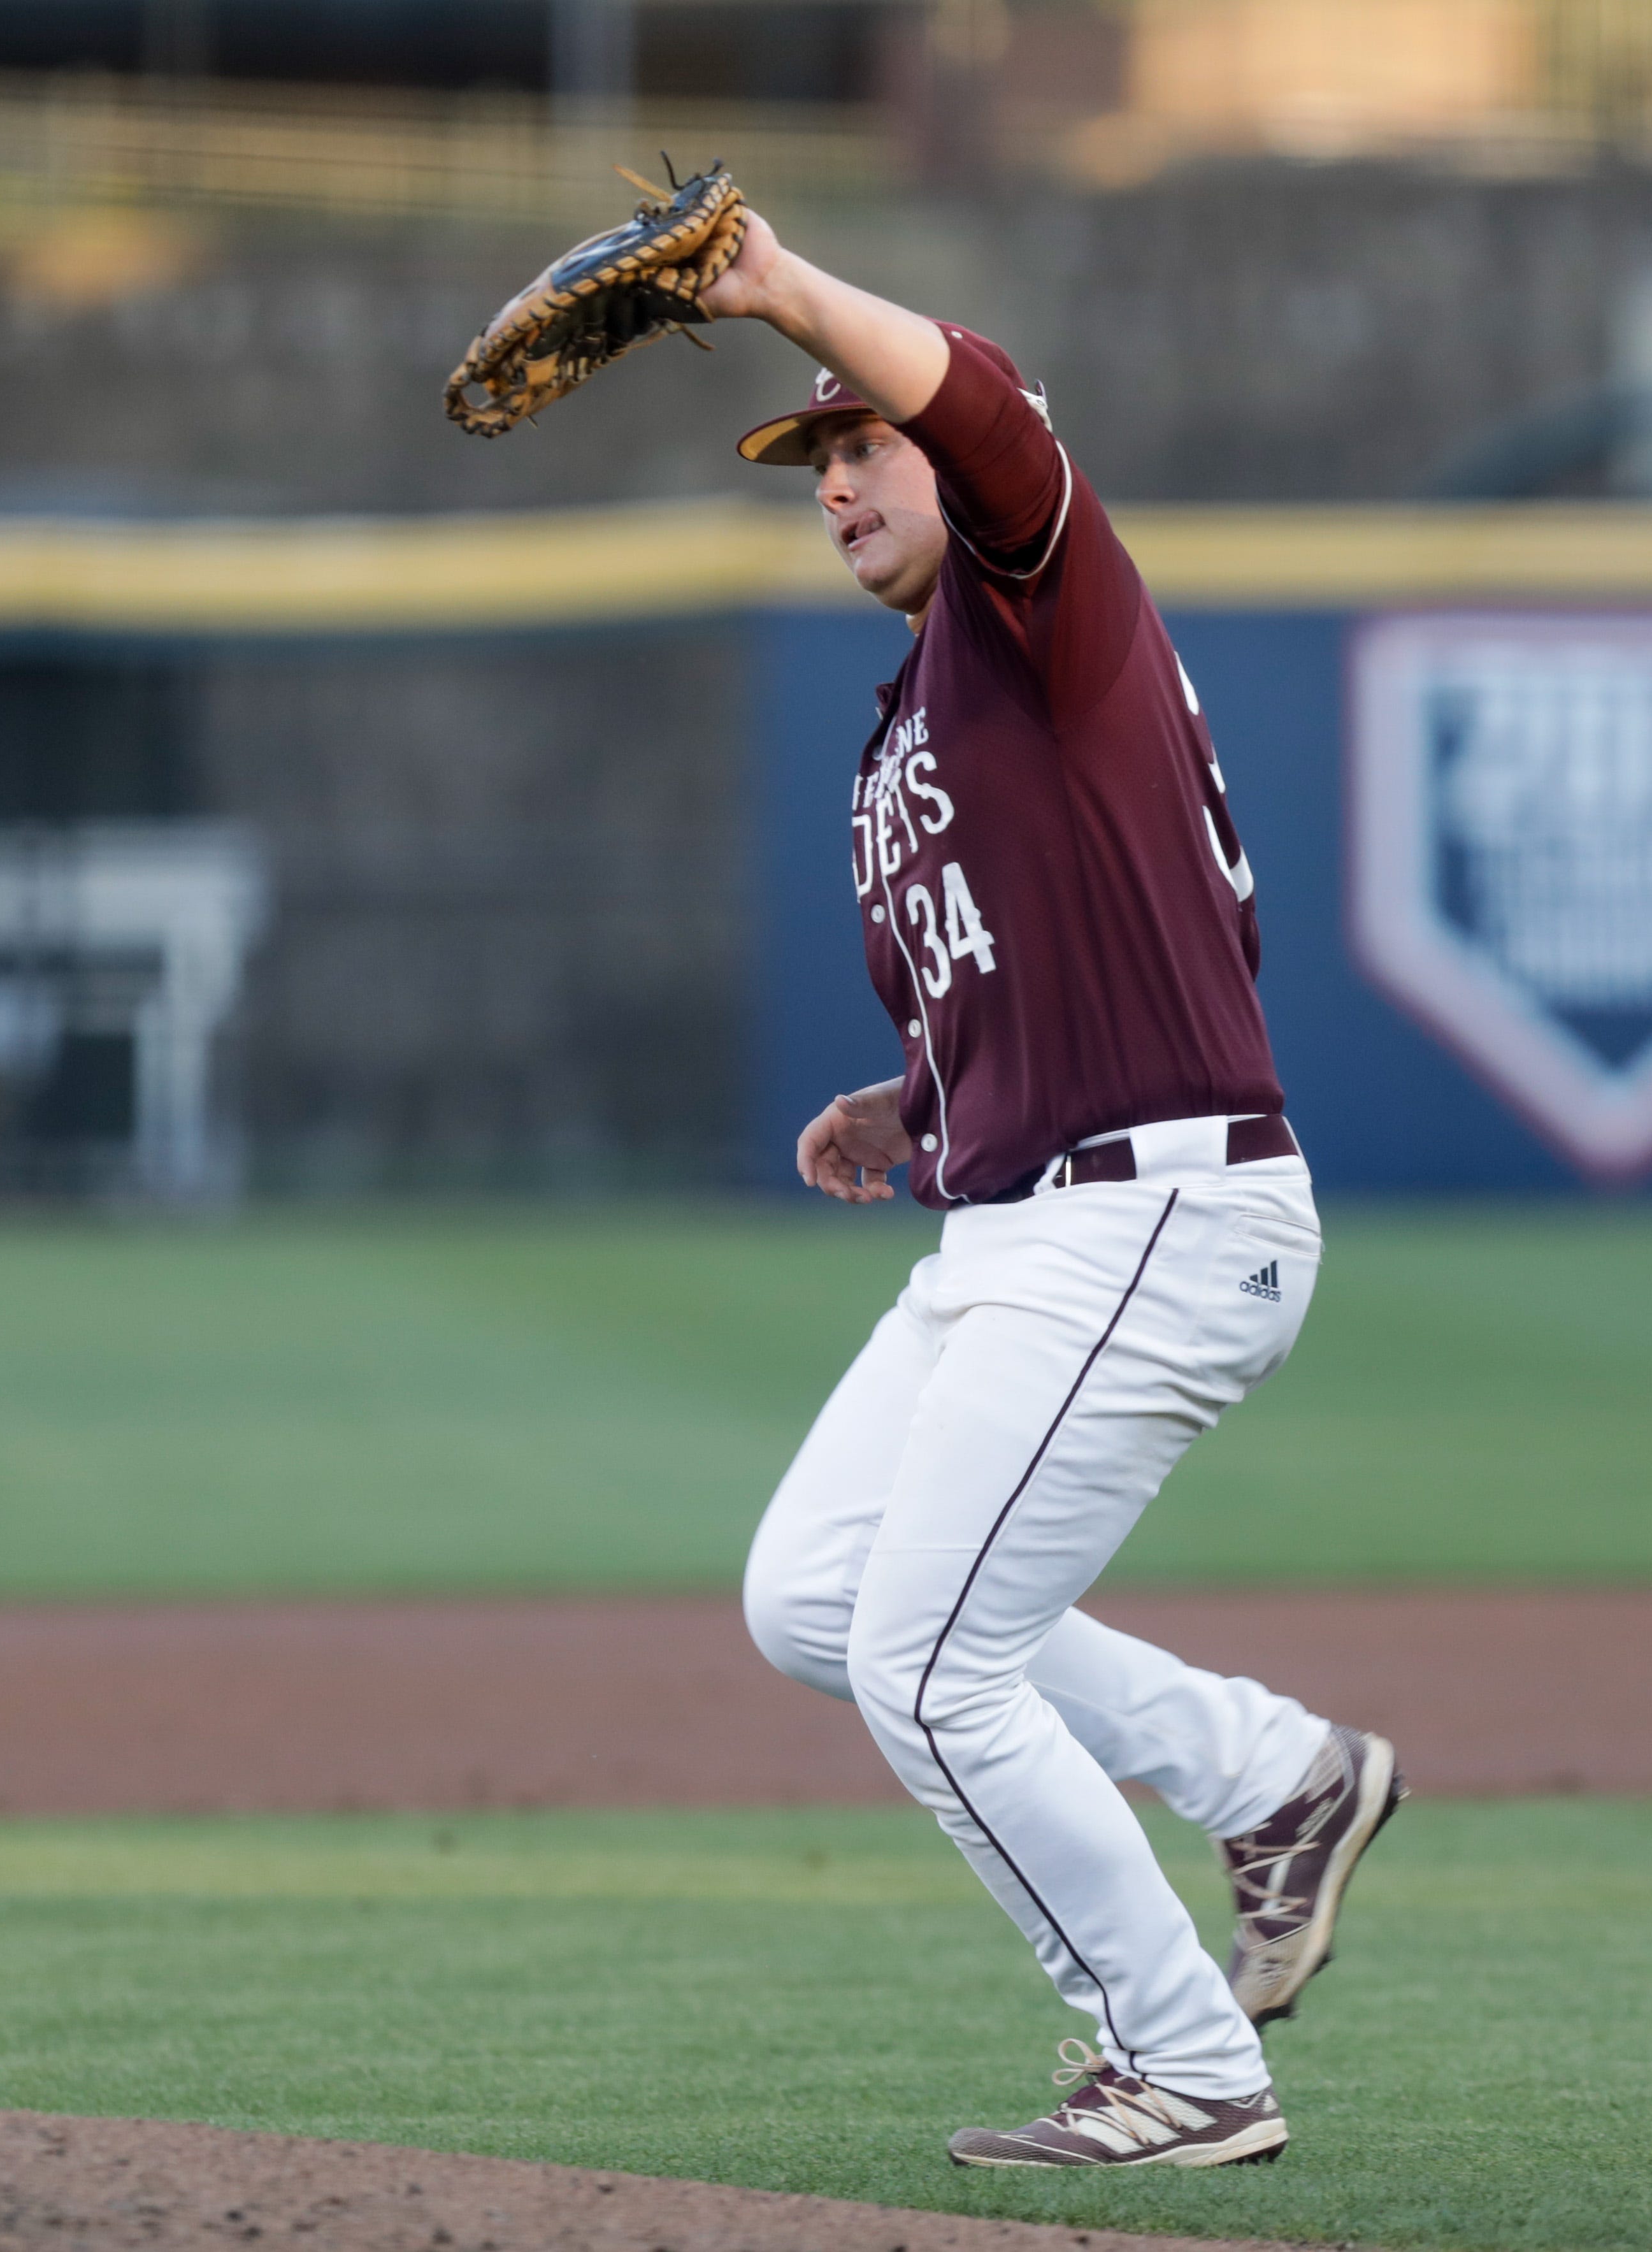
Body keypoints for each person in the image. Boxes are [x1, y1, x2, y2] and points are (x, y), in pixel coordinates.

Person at [694, 220, 1402, 2162]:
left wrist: (781, 284)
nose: (836, 476)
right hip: (1017, 1218)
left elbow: (987, 416)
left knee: (932, 1662)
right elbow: (1049, 951)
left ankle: (1184, 2061)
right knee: (818, 1596)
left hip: (1152, 1213)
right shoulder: (918, 715)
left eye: (862, 439)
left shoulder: (1044, 597)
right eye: (809, 458)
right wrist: (906, 1092)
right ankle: (1271, 1770)